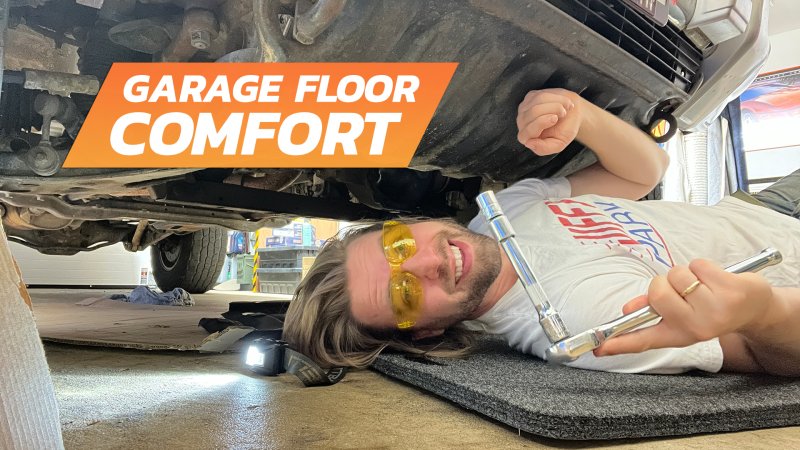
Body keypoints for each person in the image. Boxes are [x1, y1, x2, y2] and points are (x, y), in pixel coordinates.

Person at [284, 88, 800, 377]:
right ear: (424, 332)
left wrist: (582, 117)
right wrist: (762, 313)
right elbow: (759, 353)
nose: (426, 263)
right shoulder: (584, 322)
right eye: (404, 292)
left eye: (399, 245)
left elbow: (643, 173)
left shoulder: (500, 213)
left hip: (762, 205)